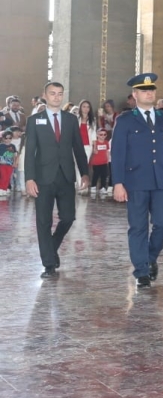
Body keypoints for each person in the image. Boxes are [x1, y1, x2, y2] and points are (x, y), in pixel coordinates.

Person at [111, 73, 163, 288]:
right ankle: (141, 271)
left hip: (162, 180)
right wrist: (118, 183)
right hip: (135, 181)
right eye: (144, 90)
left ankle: (150, 257)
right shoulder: (125, 120)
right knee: (138, 227)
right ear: (135, 94)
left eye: (151, 90)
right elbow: (118, 154)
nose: (149, 93)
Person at [24, 81, 90, 278]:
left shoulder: (70, 119)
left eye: (60, 94)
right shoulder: (34, 120)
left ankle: (51, 247)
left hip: (66, 176)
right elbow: (30, 153)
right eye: (52, 93)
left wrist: (85, 172)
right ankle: (49, 264)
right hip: (43, 178)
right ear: (45, 95)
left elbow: (78, 148)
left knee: (68, 217)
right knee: (43, 221)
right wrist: (29, 178)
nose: (56, 97)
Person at [91, 127, 112, 195]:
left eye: (104, 134)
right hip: (96, 163)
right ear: (97, 135)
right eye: (101, 134)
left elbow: (107, 152)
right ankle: (93, 186)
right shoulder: (95, 143)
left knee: (104, 175)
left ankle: (103, 187)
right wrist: (94, 148)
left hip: (104, 162)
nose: (103, 136)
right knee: (96, 175)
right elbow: (93, 152)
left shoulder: (106, 143)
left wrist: (108, 159)